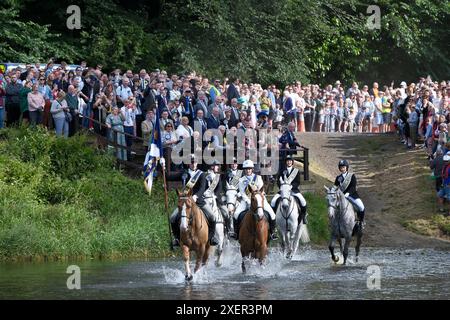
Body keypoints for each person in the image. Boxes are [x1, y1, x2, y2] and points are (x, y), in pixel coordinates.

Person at [170, 155, 220, 247]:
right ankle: (177, 238)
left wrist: (196, 196)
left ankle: (211, 238)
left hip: (199, 201)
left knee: (212, 216)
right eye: (191, 162)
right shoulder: (184, 173)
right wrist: (163, 168)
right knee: (173, 217)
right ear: (189, 163)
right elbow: (170, 177)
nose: (193, 164)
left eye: (195, 162)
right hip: (185, 202)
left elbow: (202, 188)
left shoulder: (201, 174)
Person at [232, 160, 278, 240]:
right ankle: (236, 233)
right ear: (244, 170)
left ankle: (272, 232)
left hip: (259, 200)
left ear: (252, 169)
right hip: (246, 200)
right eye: (246, 169)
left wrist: (258, 198)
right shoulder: (241, 180)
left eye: (249, 169)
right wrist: (248, 201)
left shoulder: (258, 178)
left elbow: (261, 190)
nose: (248, 170)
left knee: (272, 214)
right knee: (236, 214)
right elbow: (242, 193)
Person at [271, 155, 308, 224]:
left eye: (290, 161)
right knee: (273, 201)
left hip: (293, 190)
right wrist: (282, 187)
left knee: (303, 201)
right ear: (286, 162)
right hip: (283, 191)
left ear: (292, 162)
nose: (289, 162)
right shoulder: (282, 171)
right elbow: (278, 181)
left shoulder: (296, 171)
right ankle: (273, 218)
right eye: (287, 161)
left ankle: (304, 216)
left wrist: (291, 186)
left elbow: (297, 182)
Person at [334, 160, 365, 228]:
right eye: (341, 167)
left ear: (347, 167)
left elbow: (353, 187)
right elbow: (335, 187)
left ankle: (361, 221)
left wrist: (348, 193)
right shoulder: (338, 178)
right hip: (341, 197)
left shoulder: (352, 176)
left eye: (344, 167)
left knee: (361, 207)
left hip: (352, 195)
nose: (342, 168)